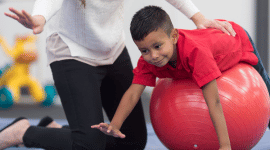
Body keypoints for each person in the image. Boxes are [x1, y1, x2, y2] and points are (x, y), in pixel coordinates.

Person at [0, 0, 236, 149]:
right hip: (71, 52)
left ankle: (54, 131)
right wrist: (39, 18)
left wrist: (199, 18)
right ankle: (22, 132)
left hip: (112, 50)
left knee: (132, 141)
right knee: (88, 145)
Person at [91, 6, 270, 150]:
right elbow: (132, 94)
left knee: (266, 86)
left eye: (157, 46)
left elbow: (214, 101)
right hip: (209, 41)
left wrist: (225, 146)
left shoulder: (196, 54)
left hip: (235, 37)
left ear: (174, 36)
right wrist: (115, 124)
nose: (153, 55)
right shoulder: (149, 61)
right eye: (144, 50)